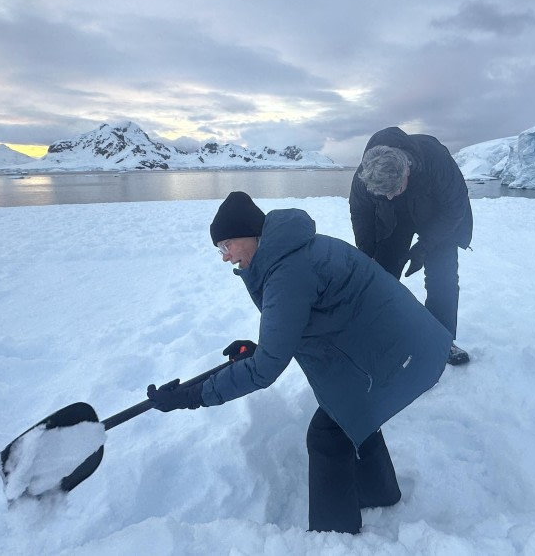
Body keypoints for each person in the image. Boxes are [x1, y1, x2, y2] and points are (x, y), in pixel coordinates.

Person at [146, 191, 450, 534]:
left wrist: (193, 396)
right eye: (221, 249)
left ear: (249, 234)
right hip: (396, 345)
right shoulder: (294, 250)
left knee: (328, 436)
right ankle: (379, 493)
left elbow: (266, 368)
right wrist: (258, 348)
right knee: (351, 417)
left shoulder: (286, 272)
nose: (225, 257)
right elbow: (297, 323)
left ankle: (332, 535)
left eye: (227, 245)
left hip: (395, 355)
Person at [350, 126, 474, 365]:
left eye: (393, 190)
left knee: (442, 278)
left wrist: (425, 247)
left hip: (439, 217)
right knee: (380, 277)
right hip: (393, 221)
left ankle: (442, 341)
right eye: (381, 193)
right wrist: (367, 254)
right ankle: (382, 334)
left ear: (406, 170)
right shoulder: (365, 176)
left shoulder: (436, 160)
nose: (387, 196)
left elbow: (454, 208)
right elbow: (361, 213)